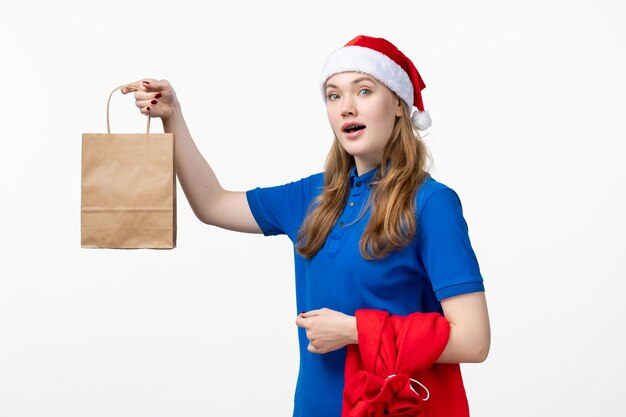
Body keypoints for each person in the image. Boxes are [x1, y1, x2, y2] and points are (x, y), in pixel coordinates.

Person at [122, 34, 491, 417]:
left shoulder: (432, 203)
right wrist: (172, 116)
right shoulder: (312, 195)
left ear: (398, 104)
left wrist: (354, 331)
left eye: (364, 91)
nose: (347, 107)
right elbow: (212, 203)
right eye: (334, 96)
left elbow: (474, 340)